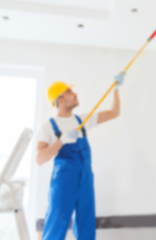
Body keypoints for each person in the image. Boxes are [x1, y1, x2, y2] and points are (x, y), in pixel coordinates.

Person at [35, 73, 124, 240]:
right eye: (70, 92)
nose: (75, 94)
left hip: (85, 177)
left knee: (86, 224)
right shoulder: (47, 126)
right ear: (60, 100)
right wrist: (61, 141)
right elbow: (39, 159)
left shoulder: (83, 120)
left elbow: (114, 112)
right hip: (63, 179)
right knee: (57, 222)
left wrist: (116, 89)